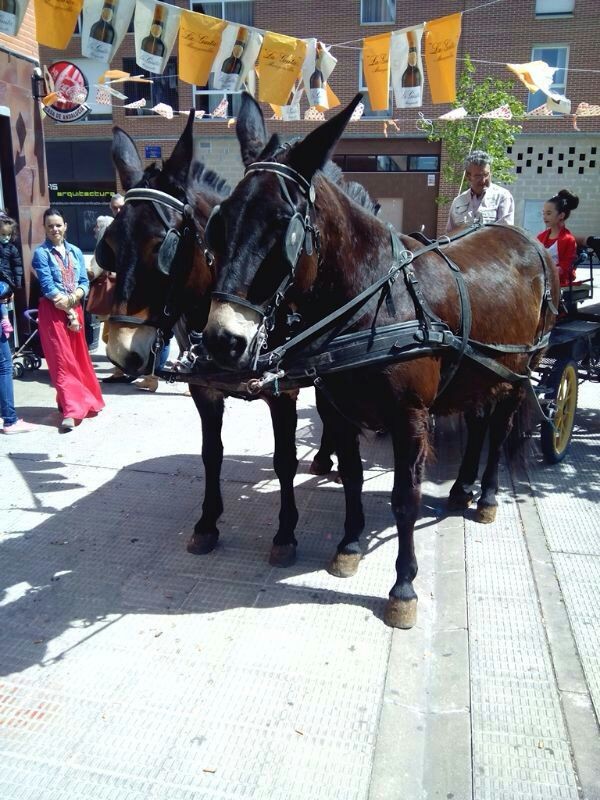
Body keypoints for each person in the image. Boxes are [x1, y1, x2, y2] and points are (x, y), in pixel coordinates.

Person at [32, 207, 105, 431]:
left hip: (75, 308)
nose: (55, 229)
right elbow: (47, 286)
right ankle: (72, 410)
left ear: (66, 226)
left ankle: (72, 400)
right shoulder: (41, 253)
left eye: (58, 225)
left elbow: (83, 280)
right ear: (44, 228)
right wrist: (68, 307)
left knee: (78, 358)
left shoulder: (74, 251)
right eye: (50, 225)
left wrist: (76, 297)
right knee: (61, 361)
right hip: (53, 312)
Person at [446, 150, 514, 233]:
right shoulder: (458, 201)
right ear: (468, 176)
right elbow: (449, 236)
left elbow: (506, 234)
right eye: (478, 176)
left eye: (486, 174)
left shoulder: (503, 197)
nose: (483, 180)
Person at [537, 189, 579, 287]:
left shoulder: (568, 239)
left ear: (561, 215)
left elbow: (565, 268)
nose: (544, 217)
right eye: (543, 213)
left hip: (558, 284)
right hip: (540, 280)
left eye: (548, 213)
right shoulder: (540, 237)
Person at [0, 214, 24, 337]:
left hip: (6, 281)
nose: (6, 238)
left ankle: (5, 320)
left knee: (2, 298)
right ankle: (4, 321)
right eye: (3, 234)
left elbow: (17, 266)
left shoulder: (12, 249)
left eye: (8, 235)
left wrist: (18, 283)